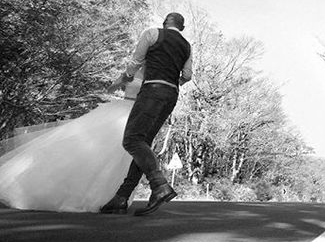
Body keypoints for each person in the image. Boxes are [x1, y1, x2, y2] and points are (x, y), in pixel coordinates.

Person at [0, 72, 141, 212]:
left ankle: (114, 196)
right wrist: (121, 81)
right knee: (103, 152)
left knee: (123, 156)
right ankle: (91, 195)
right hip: (121, 110)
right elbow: (110, 89)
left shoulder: (158, 71)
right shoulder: (131, 70)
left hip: (139, 112)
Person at [100, 12, 192, 216]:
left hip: (152, 90)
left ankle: (159, 185)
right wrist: (170, 81)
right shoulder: (187, 46)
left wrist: (122, 80)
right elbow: (186, 75)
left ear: (166, 22)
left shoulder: (152, 34)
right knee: (144, 144)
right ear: (182, 27)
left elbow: (136, 62)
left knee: (131, 140)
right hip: (171, 94)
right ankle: (121, 197)